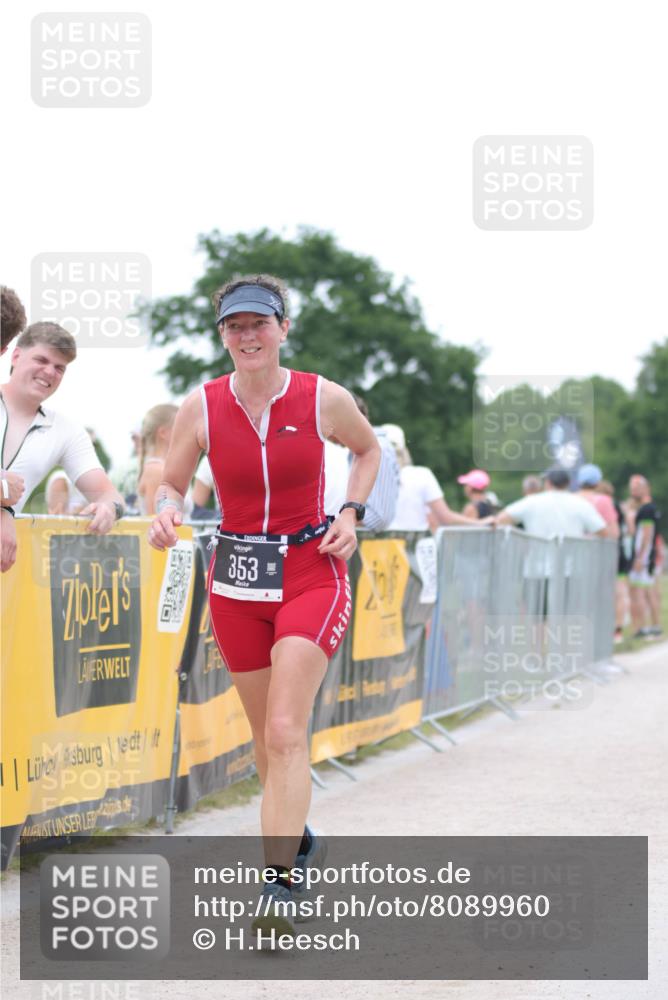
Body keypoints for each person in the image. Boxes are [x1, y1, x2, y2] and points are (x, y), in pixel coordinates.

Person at [148, 275, 380, 936]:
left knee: (284, 730)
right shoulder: (202, 405)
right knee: (264, 740)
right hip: (238, 581)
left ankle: (279, 887)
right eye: (234, 327)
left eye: (259, 324)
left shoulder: (321, 397)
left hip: (312, 569)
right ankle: (298, 837)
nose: (247, 337)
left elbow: (369, 450)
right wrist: (169, 512)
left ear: (282, 329)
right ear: (222, 334)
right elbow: (173, 482)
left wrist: (351, 510)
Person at [0, 322, 125, 572]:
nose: (49, 372)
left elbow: (110, 495)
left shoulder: (66, 431)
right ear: (16, 355)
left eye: (60, 368)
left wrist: (109, 509)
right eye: (41, 360)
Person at [386, 426, 482, 531]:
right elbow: (445, 518)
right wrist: (481, 523)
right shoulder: (422, 474)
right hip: (413, 544)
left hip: (374, 545)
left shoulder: (371, 476)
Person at [596, 478, 632, 642]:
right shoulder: (618, 506)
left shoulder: (601, 505)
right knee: (621, 592)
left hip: (605, 554)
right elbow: (630, 529)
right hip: (620, 553)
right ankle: (618, 629)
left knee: (606, 593)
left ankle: (606, 627)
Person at [627, 474, 662, 639]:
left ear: (646, 488)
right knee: (649, 591)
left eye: (636, 488)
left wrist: (640, 558)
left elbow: (646, 535)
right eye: (632, 488)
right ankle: (655, 626)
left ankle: (642, 627)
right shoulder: (650, 507)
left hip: (644, 557)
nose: (633, 491)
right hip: (648, 556)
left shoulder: (646, 509)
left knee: (639, 592)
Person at [137, 404, 179, 515]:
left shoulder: (163, 468)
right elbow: (155, 521)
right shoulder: (157, 471)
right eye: (180, 426)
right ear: (163, 433)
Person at [576, 464, 619, 539]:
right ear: (598, 482)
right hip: (595, 548)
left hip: (572, 548)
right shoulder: (604, 500)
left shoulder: (570, 499)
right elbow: (614, 532)